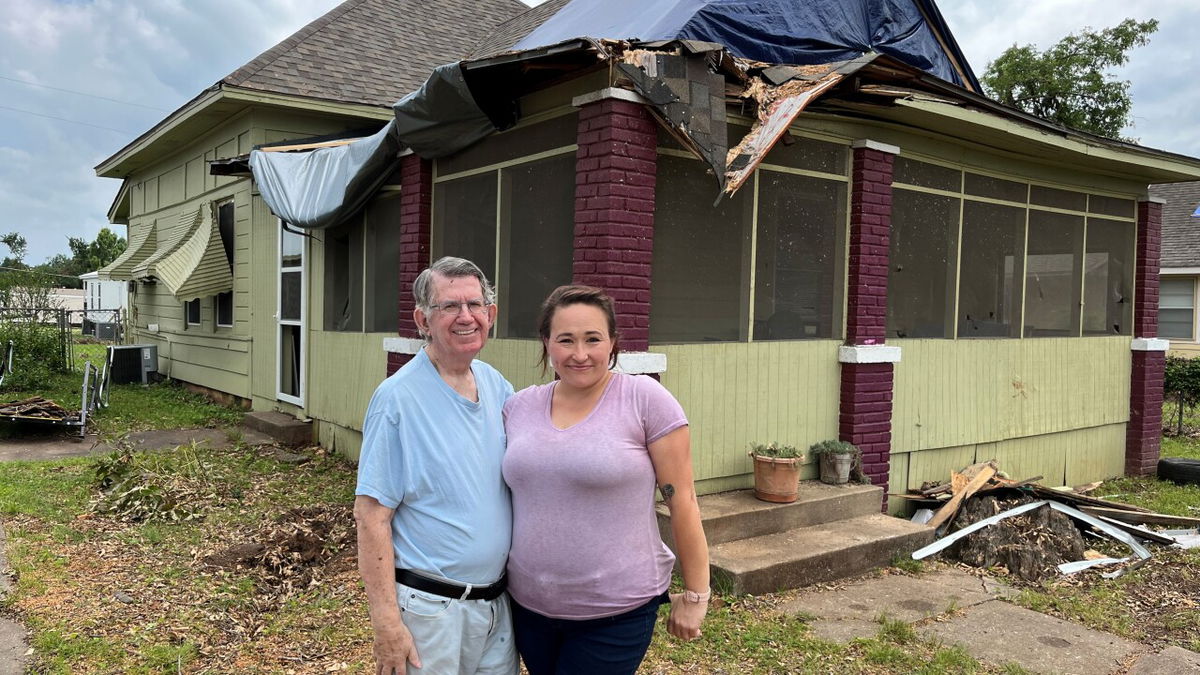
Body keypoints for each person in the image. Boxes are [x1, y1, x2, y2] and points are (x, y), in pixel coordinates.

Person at [501, 285, 710, 674]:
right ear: (547, 343)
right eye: (565, 339)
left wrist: (697, 595)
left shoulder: (645, 400)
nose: (579, 354)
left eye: (593, 339)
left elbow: (682, 500)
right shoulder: (519, 406)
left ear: (613, 343)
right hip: (528, 608)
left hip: (616, 612)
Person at [354, 256, 517, 675]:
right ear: (423, 319)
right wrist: (386, 624)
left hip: (498, 608)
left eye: (475, 305)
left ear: (490, 314)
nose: (466, 317)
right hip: (432, 612)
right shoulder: (397, 399)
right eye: (449, 307)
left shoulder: (498, 386)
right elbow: (372, 515)